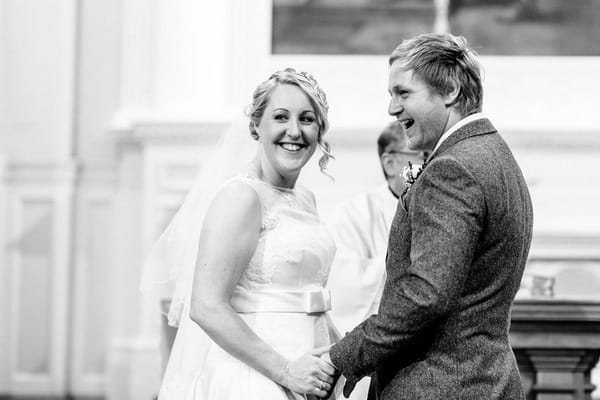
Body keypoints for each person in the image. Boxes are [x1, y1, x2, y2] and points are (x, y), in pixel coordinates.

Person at [323, 33, 534, 400]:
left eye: (403, 93)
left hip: (440, 384)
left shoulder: (451, 167)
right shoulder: (496, 154)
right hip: (488, 380)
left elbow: (425, 294)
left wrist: (344, 358)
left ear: (449, 89)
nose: (392, 108)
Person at [143, 68, 338, 399]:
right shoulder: (241, 197)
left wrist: (337, 350)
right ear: (256, 125)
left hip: (311, 371)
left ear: (319, 130)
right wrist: (286, 372)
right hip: (257, 376)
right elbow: (205, 306)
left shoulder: (306, 198)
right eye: (280, 117)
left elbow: (310, 291)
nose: (295, 130)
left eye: (307, 119)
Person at [325, 121, 425, 399]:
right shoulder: (353, 214)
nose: (429, 164)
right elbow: (344, 285)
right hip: (376, 355)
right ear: (391, 162)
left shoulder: (437, 208)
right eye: (419, 155)